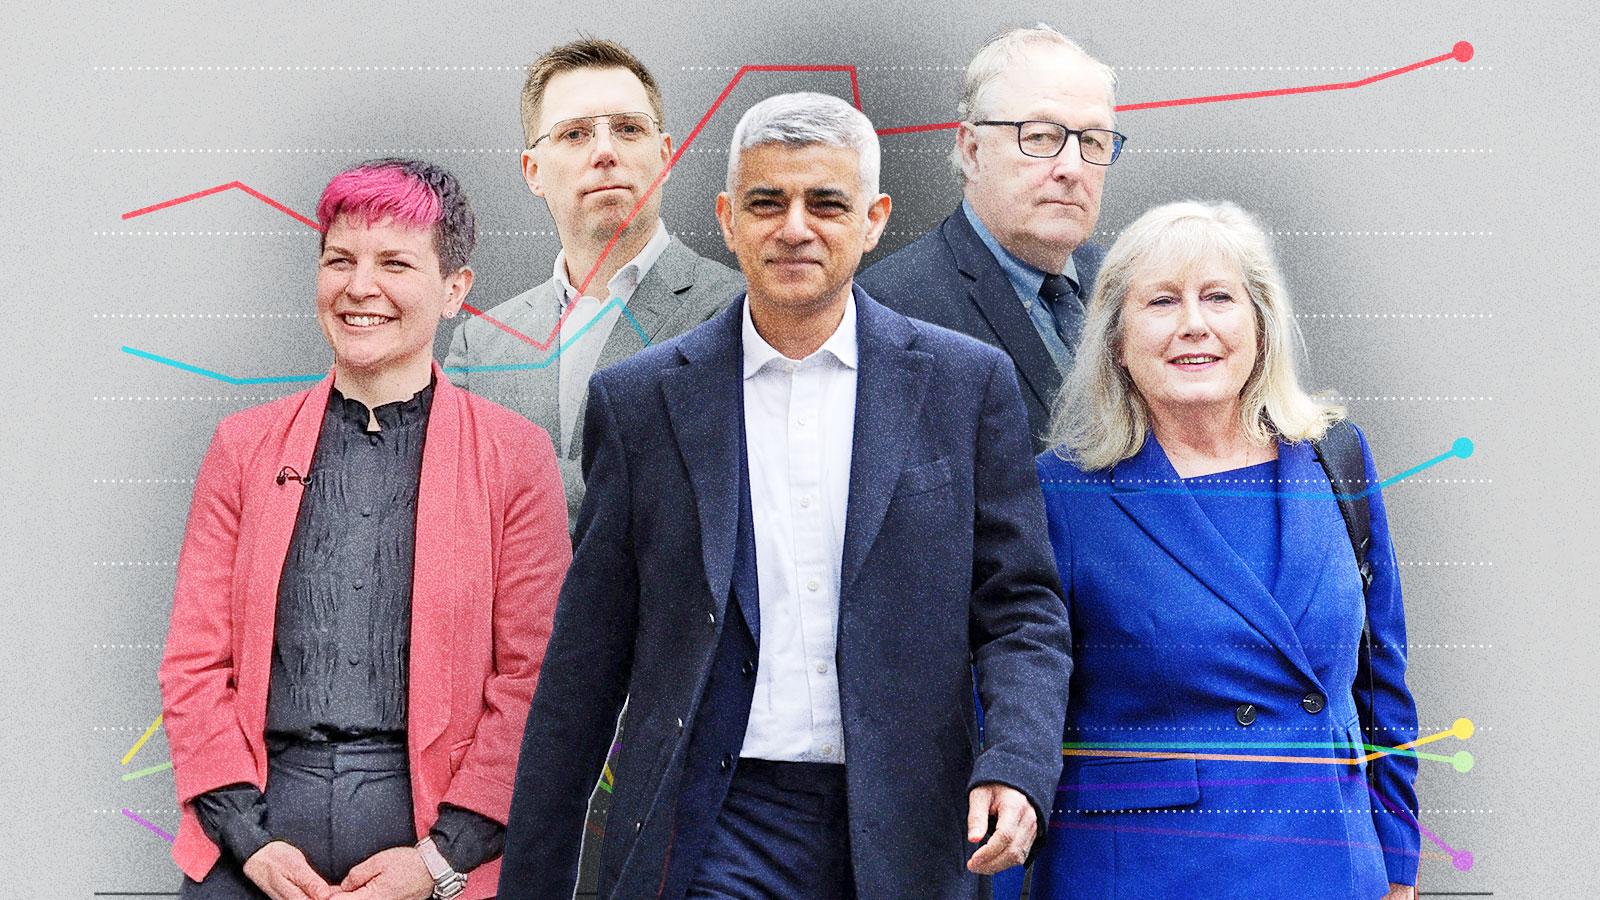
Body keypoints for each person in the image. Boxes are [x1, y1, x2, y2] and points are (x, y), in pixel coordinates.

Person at [496, 92, 1072, 900]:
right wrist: (535, 878)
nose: (794, 227)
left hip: (907, 825)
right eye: (768, 202)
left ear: (873, 220)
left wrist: (1016, 761)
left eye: (826, 203)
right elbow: (586, 663)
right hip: (714, 825)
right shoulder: (641, 404)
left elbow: (1019, 608)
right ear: (729, 220)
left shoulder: (966, 384)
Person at [159, 159, 571, 900]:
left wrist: (442, 858)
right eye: (339, 260)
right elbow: (194, 666)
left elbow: (537, 680)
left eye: (395, 263)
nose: (359, 286)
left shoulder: (516, 457)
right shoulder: (241, 448)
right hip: (253, 834)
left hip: (438, 841)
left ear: (455, 290)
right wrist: (250, 845)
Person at [1025, 200, 1420, 900]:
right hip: (1149, 875)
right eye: (1162, 301)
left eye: (1217, 297)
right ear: (1116, 337)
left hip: (1329, 863)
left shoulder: (1337, 457)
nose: (1193, 325)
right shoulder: (1057, 494)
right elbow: (1009, 717)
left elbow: (1379, 683)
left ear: (1261, 326)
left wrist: (1395, 863)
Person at [445, 37, 744, 533]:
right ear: (533, 171)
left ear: (665, 154)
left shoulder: (736, 312)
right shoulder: (481, 346)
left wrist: (507, 488)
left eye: (628, 129)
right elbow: (453, 510)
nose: (605, 151)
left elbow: (695, 506)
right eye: (575, 134)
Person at [858, 24, 1124, 453]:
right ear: (972, 150)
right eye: (1040, 136)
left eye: (1093, 141)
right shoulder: (892, 313)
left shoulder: (1125, 285)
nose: (1072, 167)